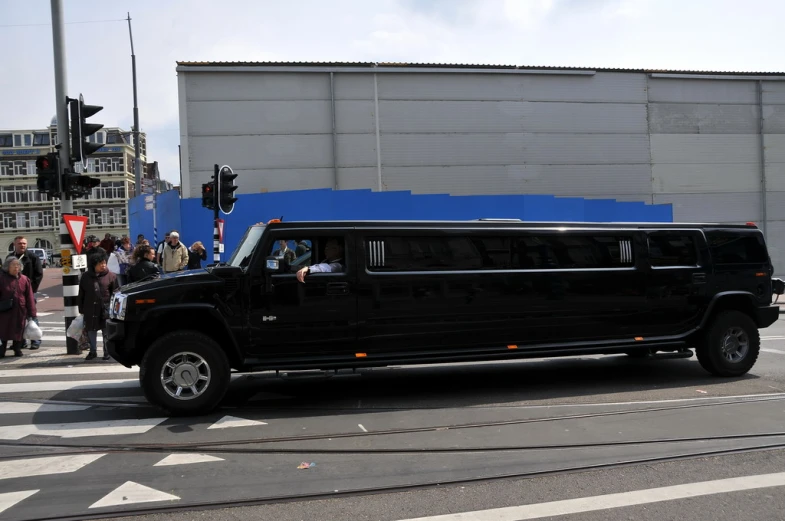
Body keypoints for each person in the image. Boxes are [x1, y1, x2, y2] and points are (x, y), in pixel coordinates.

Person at [78, 251, 119, 361]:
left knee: (106, 332)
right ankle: (92, 351)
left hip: (105, 309)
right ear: (93, 265)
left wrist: (114, 309)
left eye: (104, 263)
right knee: (91, 330)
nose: (103, 265)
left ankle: (107, 352)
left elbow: (116, 293)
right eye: (100, 263)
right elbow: (81, 293)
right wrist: (81, 308)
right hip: (90, 308)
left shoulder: (111, 276)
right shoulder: (85, 277)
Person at [6, 236, 43, 350]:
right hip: (13, 293)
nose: (22, 245)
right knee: (17, 317)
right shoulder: (10, 257)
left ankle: (35, 340)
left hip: (29, 291)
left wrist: (30, 289)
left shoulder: (33, 257)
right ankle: (20, 341)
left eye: (24, 243)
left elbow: (39, 274)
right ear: (14, 244)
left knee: (31, 315)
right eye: (20, 243)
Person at [0, 257, 37, 358]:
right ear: (7, 267)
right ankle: (1, 350)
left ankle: (17, 349)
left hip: (20, 310)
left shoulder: (24, 279)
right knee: (3, 330)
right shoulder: (1, 278)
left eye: (18, 265)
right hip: (4, 310)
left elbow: (29, 296)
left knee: (18, 330)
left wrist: (32, 313)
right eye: (13, 265)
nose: (16, 268)